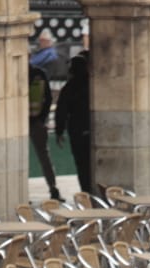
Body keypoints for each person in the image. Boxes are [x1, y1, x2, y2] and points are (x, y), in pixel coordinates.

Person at [55, 54, 92, 198]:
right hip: (93, 128)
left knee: (82, 164)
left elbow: (62, 110)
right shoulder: (93, 85)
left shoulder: (69, 87)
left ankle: (86, 192)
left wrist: (59, 131)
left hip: (77, 130)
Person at [28, 65, 62, 202]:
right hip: (21, 122)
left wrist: (42, 119)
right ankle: (20, 191)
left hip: (35, 121)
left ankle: (53, 188)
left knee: (44, 156)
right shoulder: (37, 73)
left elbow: (47, 98)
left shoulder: (39, 73)